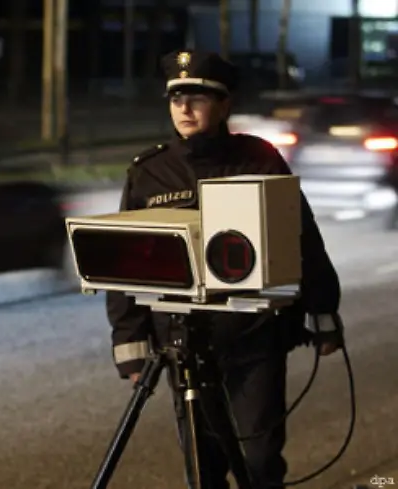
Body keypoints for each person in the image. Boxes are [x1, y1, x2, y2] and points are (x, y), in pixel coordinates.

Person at [105, 50, 344, 489]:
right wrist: (129, 339)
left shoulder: (259, 159)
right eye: (176, 99)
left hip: (253, 338)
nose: (184, 108)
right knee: (204, 464)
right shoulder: (149, 172)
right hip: (182, 340)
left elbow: (301, 237)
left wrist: (324, 313)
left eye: (197, 98)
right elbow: (126, 264)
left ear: (224, 105)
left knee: (258, 459)